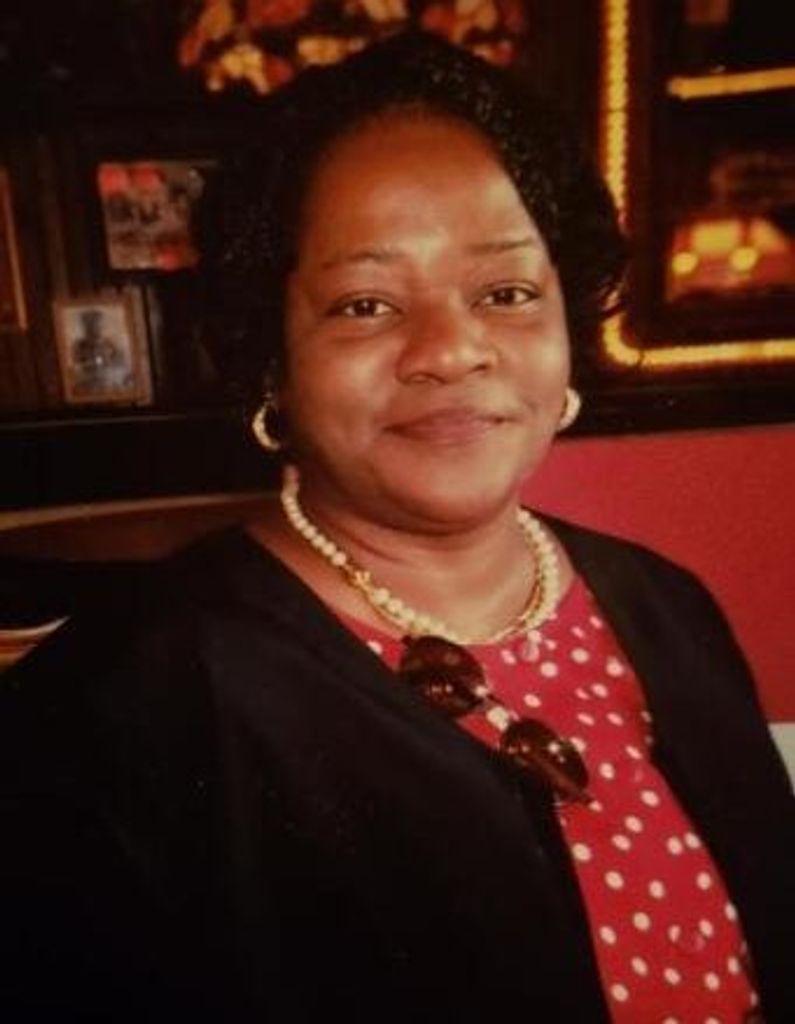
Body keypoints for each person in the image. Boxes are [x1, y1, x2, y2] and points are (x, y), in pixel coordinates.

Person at [2, 32, 792, 1022]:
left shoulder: (668, 606)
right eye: (365, 304)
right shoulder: (125, 705)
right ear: (271, 359)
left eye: (506, 293)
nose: (452, 349)